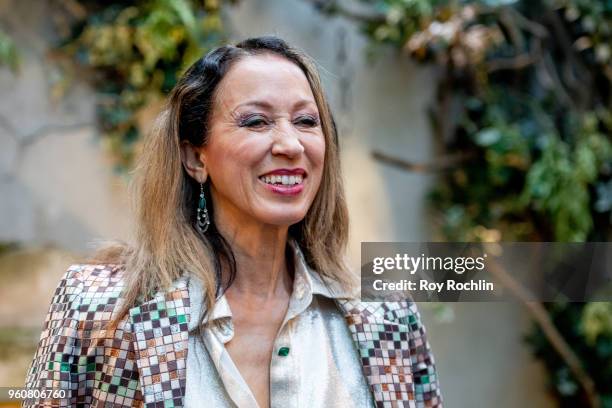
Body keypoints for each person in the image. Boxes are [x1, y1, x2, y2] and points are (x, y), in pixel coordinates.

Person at [23, 36, 442, 408]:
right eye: (255, 121)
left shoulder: (388, 315)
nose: (290, 144)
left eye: (306, 121)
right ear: (195, 157)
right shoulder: (99, 308)